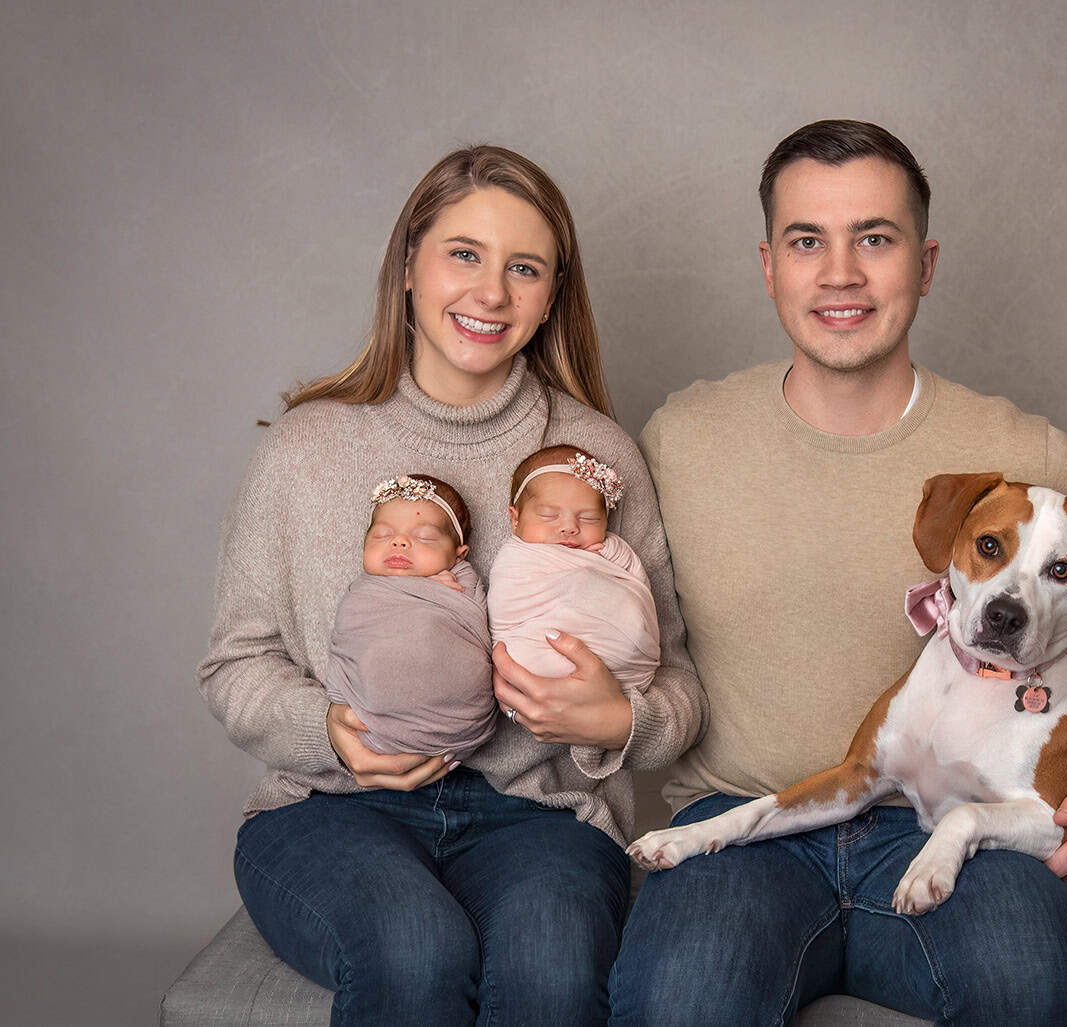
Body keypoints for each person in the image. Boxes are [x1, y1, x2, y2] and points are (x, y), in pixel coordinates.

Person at [610, 120, 1067, 1025]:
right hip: (749, 819)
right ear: (769, 265)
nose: (840, 273)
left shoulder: (1023, 458)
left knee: (1032, 984)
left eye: (875, 238)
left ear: (926, 262)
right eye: (807, 241)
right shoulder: (683, 439)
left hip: (966, 829)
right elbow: (626, 630)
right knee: (678, 999)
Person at [199, 145, 705, 1026]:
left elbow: (682, 686)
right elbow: (234, 665)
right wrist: (328, 729)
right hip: (331, 807)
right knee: (414, 949)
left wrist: (621, 720)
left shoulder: (598, 459)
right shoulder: (304, 450)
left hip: (540, 817)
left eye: (525, 268)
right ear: (408, 265)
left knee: (552, 971)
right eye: (464, 253)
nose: (491, 292)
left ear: (553, 293)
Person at [323, 473, 497, 762]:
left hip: (460, 723)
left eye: (424, 537)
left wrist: (432, 588)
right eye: (382, 535)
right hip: (363, 733)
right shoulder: (364, 594)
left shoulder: (461, 582)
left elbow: (473, 627)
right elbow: (349, 639)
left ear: (458, 556)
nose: (399, 542)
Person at [488, 444, 660, 692]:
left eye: (588, 518)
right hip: (535, 654)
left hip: (623, 666)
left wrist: (606, 556)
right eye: (549, 515)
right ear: (515, 519)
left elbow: (637, 587)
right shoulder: (514, 559)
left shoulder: (610, 548)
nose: (569, 527)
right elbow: (506, 608)